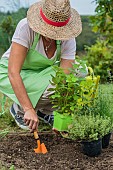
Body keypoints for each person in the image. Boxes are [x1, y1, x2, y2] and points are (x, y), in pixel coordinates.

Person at [0, 0, 86, 132]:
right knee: (49, 88)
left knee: (79, 72)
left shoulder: (68, 38)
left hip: (41, 72)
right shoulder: (26, 28)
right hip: (12, 72)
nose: (54, 35)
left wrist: (62, 114)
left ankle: (45, 111)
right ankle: (20, 108)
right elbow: (13, 72)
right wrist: (28, 109)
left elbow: (65, 79)